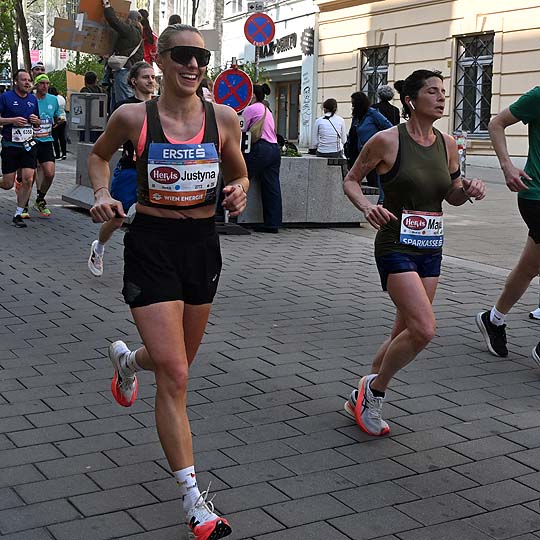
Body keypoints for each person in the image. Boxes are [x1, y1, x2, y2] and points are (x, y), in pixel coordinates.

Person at [88, 24, 248, 539]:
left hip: (201, 247)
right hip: (152, 244)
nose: (193, 65)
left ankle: (128, 362)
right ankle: (194, 501)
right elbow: (98, 156)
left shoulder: (223, 119)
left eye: (202, 57)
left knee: (172, 361)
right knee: (175, 374)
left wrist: (240, 190)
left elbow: (239, 172)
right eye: (182, 54)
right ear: (162, 59)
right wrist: (101, 194)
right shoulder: (134, 117)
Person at [342, 69, 486, 436]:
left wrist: (468, 190)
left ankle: (359, 395)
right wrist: (366, 207)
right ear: (411, 100)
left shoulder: (447, 144)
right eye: (433, 91)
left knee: (403, 330)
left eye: (443, 91)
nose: (441, 97)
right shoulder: (387, 140)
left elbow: (451, 194)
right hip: (395, 244)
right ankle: (375, 392)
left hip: (431, 248)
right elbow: (351, 180)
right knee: (424, 329)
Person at [476, 86, 540, 359]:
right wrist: (507, 167)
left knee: (530, 267)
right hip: (536, 196)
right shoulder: (538, 96)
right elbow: (496, 124)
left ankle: (494, 319)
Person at [88, 61, 156, 277]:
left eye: (153, 77)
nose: (151, 81)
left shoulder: (162, 106)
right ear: (134, 81)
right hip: (129, 170)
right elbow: (106, 144)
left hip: (155, 173)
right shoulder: (125, 108)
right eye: (146, 77)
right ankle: (99, 247)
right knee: (117, 217)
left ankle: (147, 262)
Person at [0, 69, 40, 228]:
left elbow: (37, 122)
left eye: (29, 80)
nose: (27, 83)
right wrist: (12, 120)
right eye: (24, 80)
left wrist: (36, 121)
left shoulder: (32, 99)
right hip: (10, 144)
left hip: (28, 145)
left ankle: (18, 214)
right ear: (16, 81)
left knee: (28, 178)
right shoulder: (5, 97)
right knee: (8, 183)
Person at [241, 83, 282, 233]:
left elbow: (241, 129)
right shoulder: (266, 109)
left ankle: (223, 213)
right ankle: (272, 224)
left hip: (260, 149)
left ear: (252, 95)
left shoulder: (251, 109)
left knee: (239, 177)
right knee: (272, 187)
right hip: (274, 149)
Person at [31, 74, 64, 217]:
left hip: (46, 140)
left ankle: (40, 199)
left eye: (47, 83)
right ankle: (23, 204)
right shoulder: (30, 99)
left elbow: (57, 115)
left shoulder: (53, 99)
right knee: (28, 175)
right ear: (36, 85)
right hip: (30, 141)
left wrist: (59, 119)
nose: (45, 86)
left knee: (50, 173)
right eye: (42, 83)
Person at [102, 0, 144, 106]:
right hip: (127, 70)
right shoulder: (138, 33)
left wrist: (107, 6)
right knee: (119, 103)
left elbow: (114, 22)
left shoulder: (130, 31)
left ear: (129, 20)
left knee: (123, 104)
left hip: (123, 71)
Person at [347, 91, 392, 188]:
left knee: (375, 183)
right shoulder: (357, 116)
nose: (352, 106)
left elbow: (389, 127)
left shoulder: (373, 114)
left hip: (374, 153)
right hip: (361, 153)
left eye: (354, 103)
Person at [49, 86, 67, 160]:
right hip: (64, 118)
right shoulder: (61, 98)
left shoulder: (53, 99)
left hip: (57, 120)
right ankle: (64, 153)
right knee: (62, 137)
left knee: (55, 138)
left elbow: (53, 111)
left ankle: (57, 154)